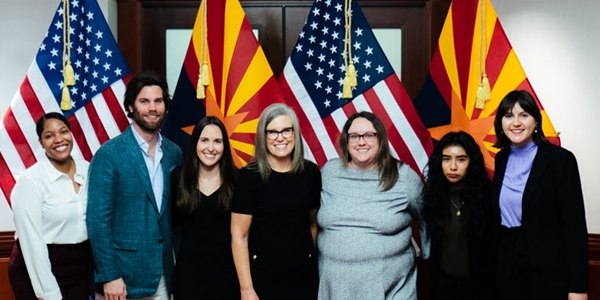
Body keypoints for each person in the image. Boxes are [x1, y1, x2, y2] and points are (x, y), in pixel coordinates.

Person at [86, 72, 183, 300]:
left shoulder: (174, 153)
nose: (152, 108)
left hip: (163, 275)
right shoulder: (109, 154)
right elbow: (97, 220)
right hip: (122, 279)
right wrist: (110, 276)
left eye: (158, 101)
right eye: (144, 101)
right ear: (130, 107)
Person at [317, 111, 429, 300]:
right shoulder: (328, 173)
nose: (361, 142)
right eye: (354, 136)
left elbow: (428, 215)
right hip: (334, 288)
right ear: (346, 140)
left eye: (369, 135)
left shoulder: (403, 176)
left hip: (391, 290)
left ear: (380, 139)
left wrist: (425, 250)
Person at [492, 90, 588, 300]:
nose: (516, 122)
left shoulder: (560, 160)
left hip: (547, 276)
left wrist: (578, 288)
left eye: (524, 115)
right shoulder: (501, 159)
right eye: (508, 116)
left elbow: (575, 228)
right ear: (500, 124)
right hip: (507, 271)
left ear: (536, 121)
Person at [231, 103, 320, 300]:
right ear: (263, 137)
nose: (280, 138)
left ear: (295, 133)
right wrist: (246, 289)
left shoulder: (311, 173)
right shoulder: (249, 176)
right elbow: (239, 235)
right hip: (262, 278)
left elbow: (312, 223)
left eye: (286, 130)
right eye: (272, 132)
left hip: (303, 277)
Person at [8, 113, 91, 300]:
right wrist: (50, 294)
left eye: (63, 132)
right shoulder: (30, 181)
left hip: (79, 267)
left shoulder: (88, 170)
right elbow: (32, 243)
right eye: (49, 135)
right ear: (41, 142)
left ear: (71, 134)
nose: (58, 139)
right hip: (36, 268)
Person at [171, 116, 240, 299]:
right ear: (195, 143)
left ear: (224, 146)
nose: (210, 148)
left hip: (228, 280)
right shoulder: (178, 178)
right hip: (188, 280)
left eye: (217, 141)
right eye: (204, 140)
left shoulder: (238, 180)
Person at [422, 131, 494, 300]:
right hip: (444, 286)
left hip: (479, 287)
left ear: (471, 162)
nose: (452, 166)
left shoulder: (489, 196)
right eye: (446, 159)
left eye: (461, 159)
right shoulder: (434, 196)